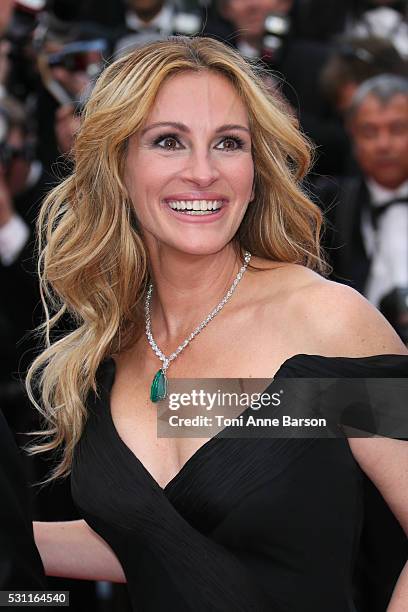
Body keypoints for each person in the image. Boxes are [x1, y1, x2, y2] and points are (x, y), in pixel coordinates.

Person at [29, 37, 408, 611]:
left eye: (228, 143)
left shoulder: (324, 323)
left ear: (255, 169)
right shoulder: (110, 346)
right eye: (168, 142)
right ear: (118, 166)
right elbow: (167, 535)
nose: (202, 172)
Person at [317, 75, 408, 340]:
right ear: (352, 136)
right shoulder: (329, 205)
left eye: (398, 129)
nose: (383, 144)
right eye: (369, 132)